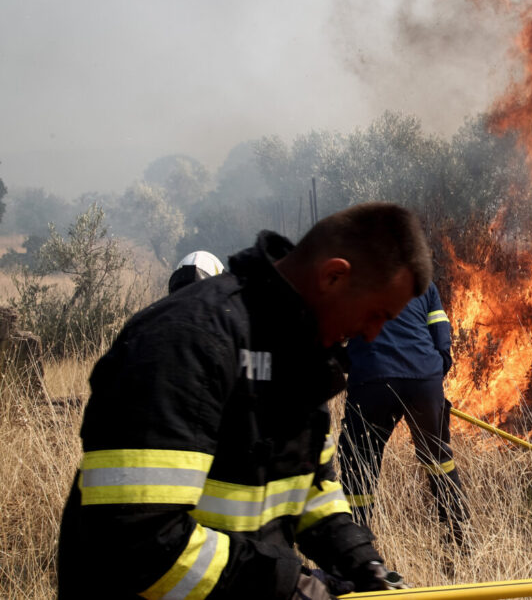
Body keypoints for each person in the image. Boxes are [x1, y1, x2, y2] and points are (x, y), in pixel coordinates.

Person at [58, 202, 432, 600]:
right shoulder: (185, 342)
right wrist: (293, 589)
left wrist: (362, 564)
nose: (373, 334)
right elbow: (136, 540)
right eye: (377, 314)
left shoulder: (301, 357)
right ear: (334, 276)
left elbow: (311, 487)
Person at [338, 281, 469, 552]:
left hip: (373, 381)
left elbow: (328, 333)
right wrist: (436, 367)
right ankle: (460, 538)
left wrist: (354, 363)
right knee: (438, 458)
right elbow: (441, 330)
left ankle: (357, 548)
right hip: (424, 379)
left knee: (358, 462)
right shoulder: (423, 283)